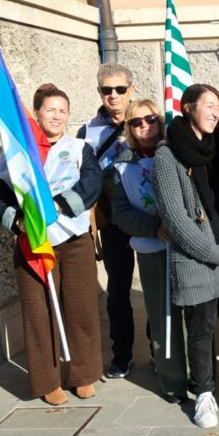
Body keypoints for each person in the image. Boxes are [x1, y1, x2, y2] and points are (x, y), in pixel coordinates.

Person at [0, 84, 102, 405]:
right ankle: (47, 381)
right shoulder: (17, 155)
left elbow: (92, 183)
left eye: (62, 110)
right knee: (39, 315)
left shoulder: (78, 148)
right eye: (50, 109)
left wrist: (58, 205)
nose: (57, 116)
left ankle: (82, 374)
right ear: (36, 113)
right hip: (35, 244)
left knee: (81, 309)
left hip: (74, 240)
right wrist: (18, 221)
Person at [153, 84, 219, 429]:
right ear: (187, 107)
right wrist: (212, 252)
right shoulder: (167, 154)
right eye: (208, 105)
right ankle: (204, 392)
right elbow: (175, 218)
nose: (215, 113)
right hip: (197, 257)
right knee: (201, 328)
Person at [108, 99, 190, 404]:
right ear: (129, 128)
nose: (145, 126)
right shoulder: (121, 166)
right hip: (152, 249)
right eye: (137, 122)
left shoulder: (178, 153)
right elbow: (120, 213)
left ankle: (199, 375)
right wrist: (153, 227)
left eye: (151, 119)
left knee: (192, 314)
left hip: (186, 246)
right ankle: (173, 381)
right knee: (162, 316)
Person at [77, 62, 136, 380]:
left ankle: (160, 351)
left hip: (149, 215)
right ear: (99, 92)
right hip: (112, 219)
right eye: (107, 90)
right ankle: (122, 355)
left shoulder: (147, 119)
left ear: (131, 90)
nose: (114, 95)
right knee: (118, 291)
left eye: (120, 89)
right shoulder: (88, 131)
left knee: (158, 287)